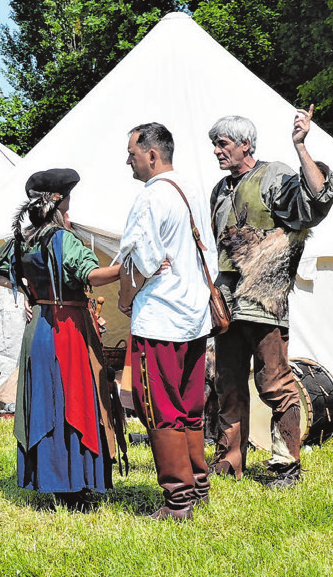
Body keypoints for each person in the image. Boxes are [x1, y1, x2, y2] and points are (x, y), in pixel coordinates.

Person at [207, 107, 333, 488]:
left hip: (265, 300)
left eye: (223, 144)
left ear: (246, 144)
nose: (217, 151)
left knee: (274, 383)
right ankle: (229, 461)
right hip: (229, 304)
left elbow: (313, 205)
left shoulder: (273, 175)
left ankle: (286, 465)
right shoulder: (220, 191)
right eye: (215, 145)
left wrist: (300, 147)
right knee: (227, 382)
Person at [0, 168, 127, 508]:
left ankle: (53, 482)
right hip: (67, 330)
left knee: (47, 403)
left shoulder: (26, 239)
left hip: (39, 333)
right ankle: (74, 487)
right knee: (70, 401)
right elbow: (91, 274)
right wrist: (130, 266)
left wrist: (29, 295)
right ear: (59, 203)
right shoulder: (63, 239)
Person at [118, 122, 217, 520]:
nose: (128, 160)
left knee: (160, 408)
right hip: (193, 317)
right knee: (189, 407)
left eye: (132, 153)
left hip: (160, 319)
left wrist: (126, 297)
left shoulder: (151, 197)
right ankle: (198, 485)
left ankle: (179, 501)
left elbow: (140, 261)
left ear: (152, 155)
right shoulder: (190, 189)